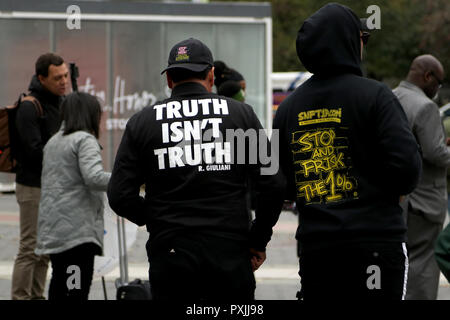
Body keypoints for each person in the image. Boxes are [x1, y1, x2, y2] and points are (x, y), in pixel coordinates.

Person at [107, 38, 285, 301]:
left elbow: (119, 195)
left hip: (171, 256)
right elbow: (273, 183)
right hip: (229, 255)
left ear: (169, 79)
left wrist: (156, 217)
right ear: (211, 76)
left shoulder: (142, 123)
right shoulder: (241, 115)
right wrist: (258, 238)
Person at [273, 3, 422, 300]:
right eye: (362, 39)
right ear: (349, 42)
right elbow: (407, 170)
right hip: (375, 246)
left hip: (318, 250)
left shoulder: (289, 108)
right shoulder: (376, 96)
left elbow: (282, 183)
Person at [35, 92, 111, 300]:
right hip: (76, 233)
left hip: (56, 228)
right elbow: (94, 177)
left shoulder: (53, 142)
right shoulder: (84, 140)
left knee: (61, 280)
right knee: (76, 288)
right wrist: (126, 180)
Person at [11, 53, 68, 300]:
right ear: (42, 78)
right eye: (57, 78)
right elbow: (34, 152)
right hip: (33, 187)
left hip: (52, 186)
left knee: (45, 249)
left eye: (66, 75)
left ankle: (37, 296)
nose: (64, 81)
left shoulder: (59, 103)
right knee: (29, 248)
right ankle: (20, 297)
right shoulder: (29, 106)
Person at [393, 54, 447, 300]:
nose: (439, 88)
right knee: (424, 266)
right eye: (439, 82)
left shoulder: (393, 96)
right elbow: (436, 154)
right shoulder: (425, 106)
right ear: (428, 76)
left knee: (404, 262)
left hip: (400, 201)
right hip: (425, 201)